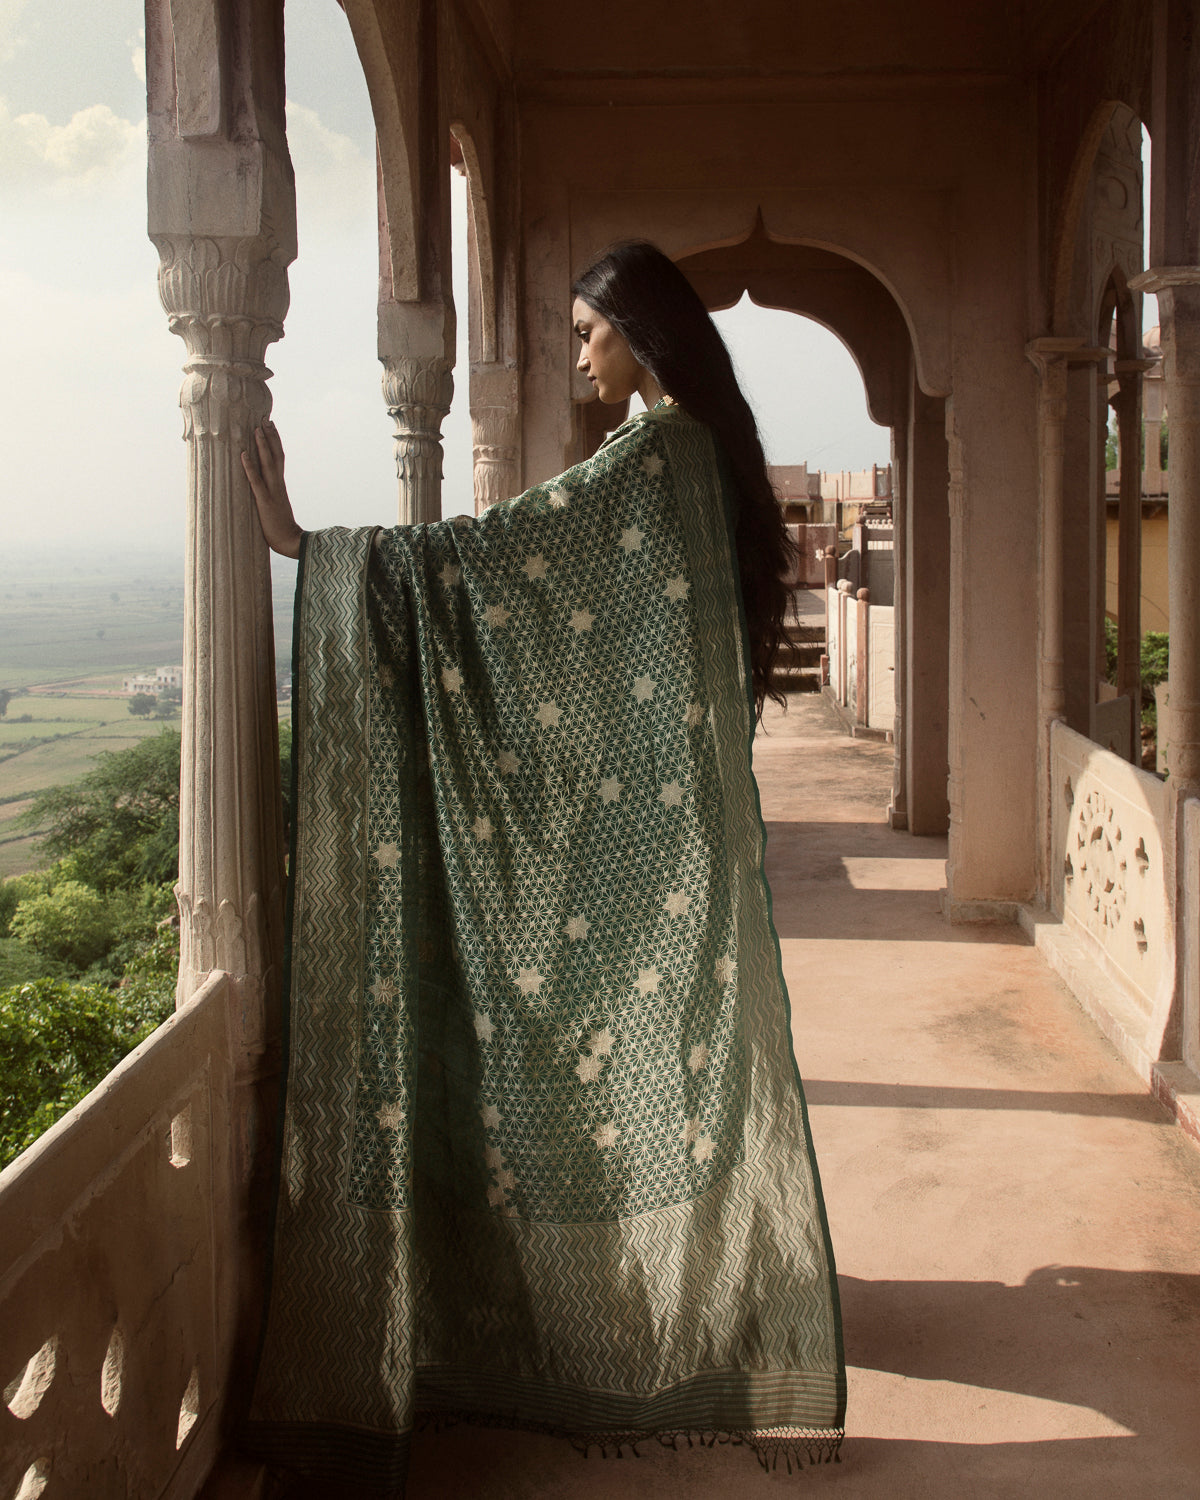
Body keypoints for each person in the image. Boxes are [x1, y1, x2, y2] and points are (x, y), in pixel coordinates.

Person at [240, 241, 844, 1494]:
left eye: (589, 333)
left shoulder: (653, 455)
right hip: (679, 823)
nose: (580, 358)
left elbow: (500, 559)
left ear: (643, 333)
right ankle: (704, 1313)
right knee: (668, 1066)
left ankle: (583, 1333)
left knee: (567, 1059)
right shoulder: (702, 458)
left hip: (643, 833)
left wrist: (310, 545)